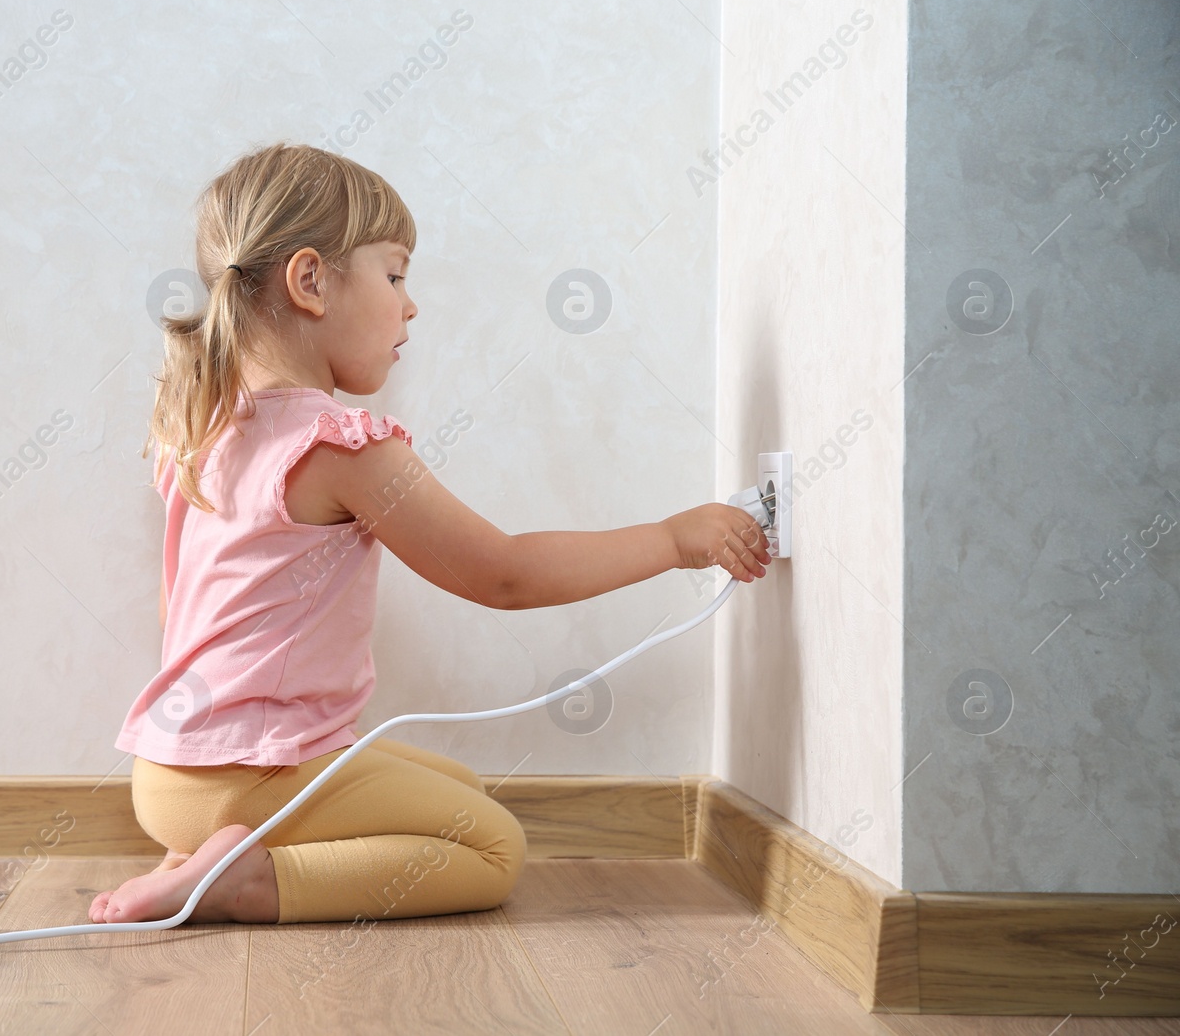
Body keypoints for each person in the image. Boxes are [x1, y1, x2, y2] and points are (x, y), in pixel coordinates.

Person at [89, 142, 772, 927]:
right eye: (396, 274)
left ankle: (196, 853)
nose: (410, 305)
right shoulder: (339, 444)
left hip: (170, 769)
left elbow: (180, 607)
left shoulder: (207, 426)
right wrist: (672, 537)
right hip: (252, 770)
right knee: (491, 848)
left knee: (460, 791)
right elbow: (503, 573)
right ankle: (248, 882)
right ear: (311, 280)